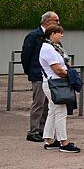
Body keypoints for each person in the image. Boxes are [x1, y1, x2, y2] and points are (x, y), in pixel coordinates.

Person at [39, 25, 80, 153]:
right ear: (52, 34)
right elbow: (57, 69)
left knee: (53, 110)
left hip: (53, 83)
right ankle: (64, 142)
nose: (62, 35)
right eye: (60, 33)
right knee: (61, 111)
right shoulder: (48, 48)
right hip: (54, 83)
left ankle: (50, 139)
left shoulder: (51, 48)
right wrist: (70, 75)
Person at [21, 11, 58, 142]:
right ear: (48, 22)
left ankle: (42, 129)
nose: (58, 23)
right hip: (38, 74)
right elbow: (25, 56)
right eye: (56, 21)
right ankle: (33, 131)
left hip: (49, 75)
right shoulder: (34, 35)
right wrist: (31, 72)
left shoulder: (51, 37)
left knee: (47, 104)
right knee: (39, 103)